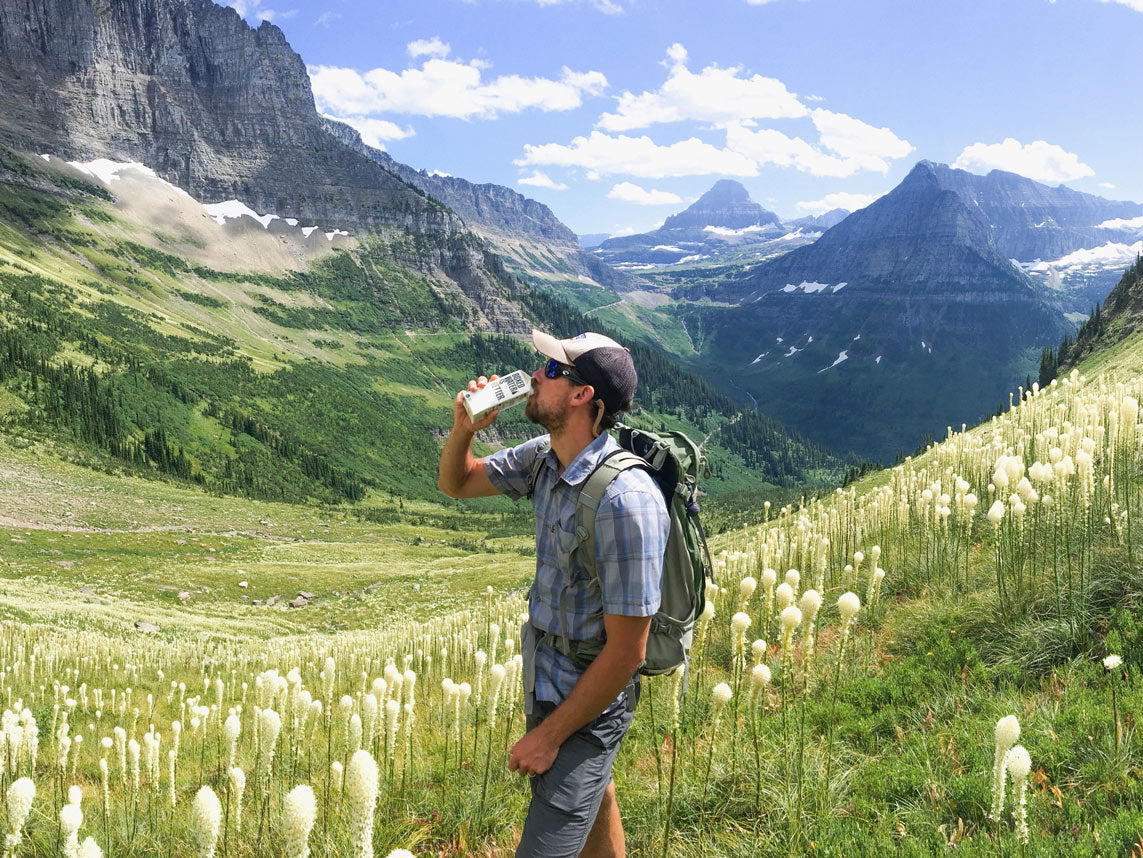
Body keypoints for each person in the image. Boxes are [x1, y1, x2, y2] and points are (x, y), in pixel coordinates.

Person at [438, 329, 669, 858]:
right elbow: (458, 482)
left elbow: (627, 652)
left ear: (583, 395)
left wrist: (549, 736)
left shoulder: (626, 500)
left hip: (592, 698)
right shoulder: (544, 457)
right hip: (545, 673)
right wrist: (463, 430)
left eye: (552, 369)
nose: (535, 375)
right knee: (597, 800)